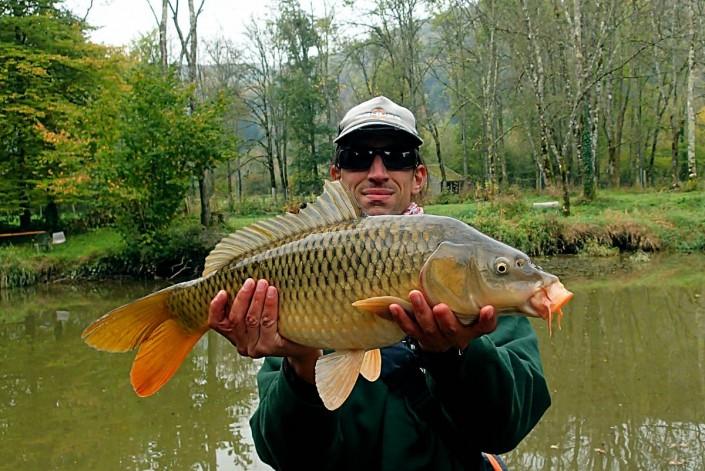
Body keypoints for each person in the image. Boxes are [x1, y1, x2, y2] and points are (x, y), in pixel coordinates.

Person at [208, 96, 551, 471]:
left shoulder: (472, 268)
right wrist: (301, 363)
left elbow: (505, 429)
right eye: (357, 156)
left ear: (418, 176)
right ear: (337, 175)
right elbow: (287, 457)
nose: (377, 171)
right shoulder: (296, 266)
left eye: (397, 156)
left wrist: (455, 355)